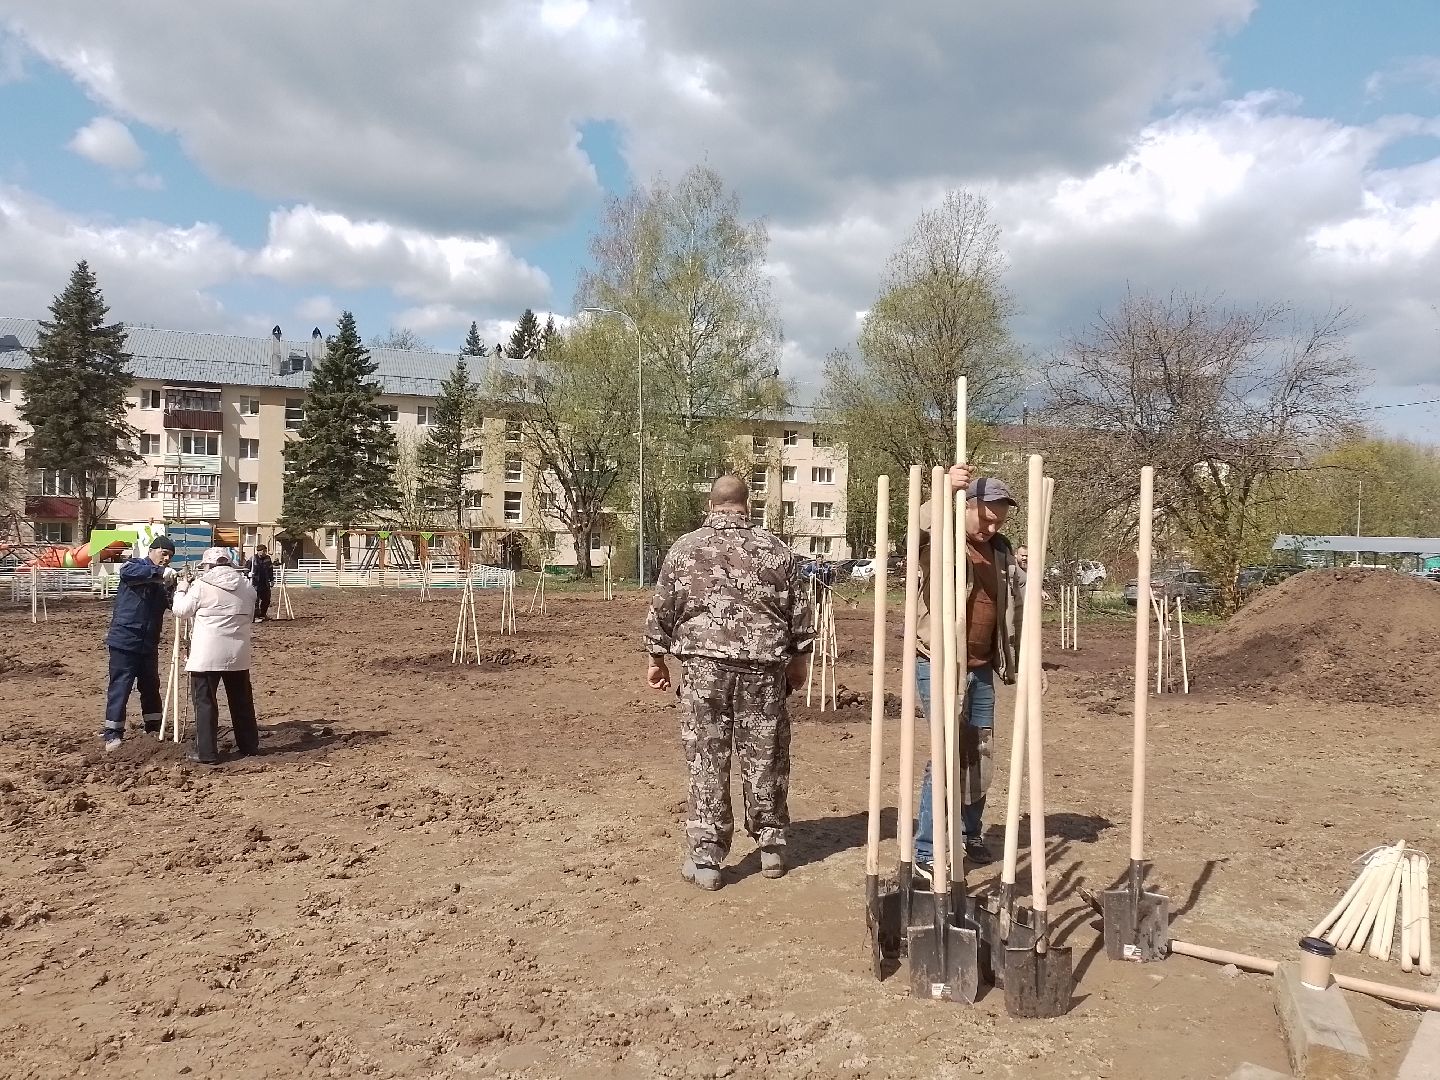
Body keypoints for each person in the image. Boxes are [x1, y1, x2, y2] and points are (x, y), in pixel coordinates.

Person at [644, 474, 815, 891]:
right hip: (763, 669)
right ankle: (771, 846)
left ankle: (707, 858)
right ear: (747, 505)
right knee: (766, 757)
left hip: (704, 671)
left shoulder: (684, 549)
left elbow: (663, 608)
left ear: (711, 504)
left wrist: (656, 659)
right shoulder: (777, 550)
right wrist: (798, 665)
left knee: (707, 758)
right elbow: (801, 617)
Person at [913, 469, 1024, 870]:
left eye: (999, 520)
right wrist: (945, 489)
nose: (992, 527)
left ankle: (969, 832)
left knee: (979, 751)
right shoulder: (940, 539)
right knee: (945, 754)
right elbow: (920, 522)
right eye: (986, 518)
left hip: (981, 668)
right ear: (967, 509)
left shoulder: (1001, 550)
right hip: (938, 663)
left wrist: (1025, 660)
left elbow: (1015, 609)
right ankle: (926, 849)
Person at [172, 547, 260, 765]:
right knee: (242, 701)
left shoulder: (201, 586)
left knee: (205, 702)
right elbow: (251, 614)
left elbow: (181, 611)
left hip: (206, 654)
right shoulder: (247, 586)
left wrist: (181, 590)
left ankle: (207, 752)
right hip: (238, 652)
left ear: (208, 566)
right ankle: (249, 745)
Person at [103, 534, 178, 751]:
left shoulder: (162, 580)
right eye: (164, 554)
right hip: (125, 639)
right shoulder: (136, 567)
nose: (166, 559)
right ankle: (113, 733)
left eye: (170, 557)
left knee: (151, 685)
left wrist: (178, 588)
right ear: (152, 551)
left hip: (149, 641)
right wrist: (160, 572)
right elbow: (127, 572)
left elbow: (172, 604)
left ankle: (154, 727)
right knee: (121, 685)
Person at [246, 544, 275, 622]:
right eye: (263, 551)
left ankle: (263, 614)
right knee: (255, 600)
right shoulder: (252, 559)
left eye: (265, 551)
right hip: (255, 583)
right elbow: (246, 569)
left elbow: (270, 570)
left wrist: (271, 580)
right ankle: (255, 616)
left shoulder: (268, 559)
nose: (265, 552)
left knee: (266, 599)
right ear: (259, 551)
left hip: (264, 582)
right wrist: (248, 574)